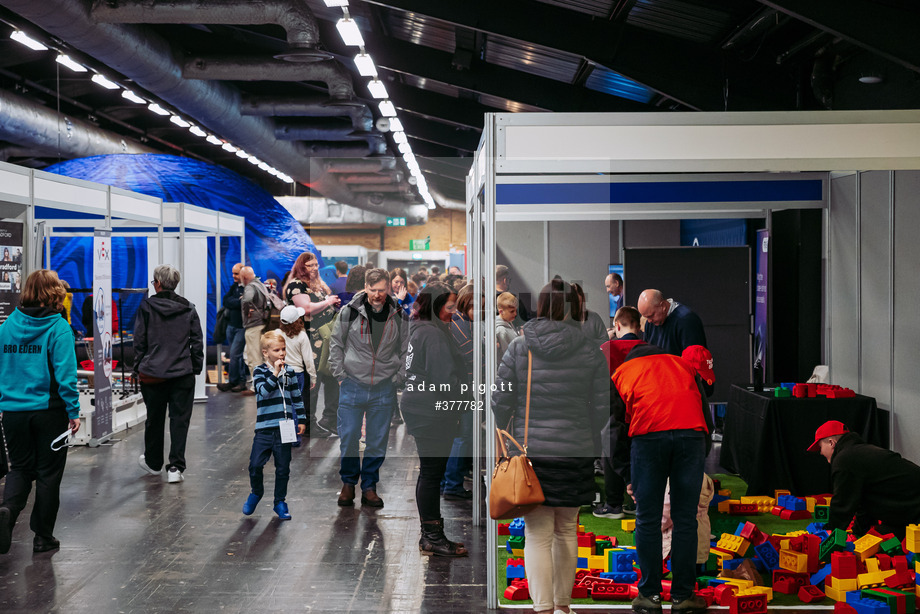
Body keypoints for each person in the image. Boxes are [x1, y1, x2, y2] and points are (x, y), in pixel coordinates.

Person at [493, 278, 610, 614]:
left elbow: (501, 399)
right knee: (567, 530)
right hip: (576, 450)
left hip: (532, 452)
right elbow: (602, 405)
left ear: (541, 306)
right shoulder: (590, 349)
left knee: (538, 534)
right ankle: (564, 606)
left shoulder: (520, 345)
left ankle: (543, 608)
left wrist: (503, 426)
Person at [611, 344, 710, 614]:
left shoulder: (622, 373)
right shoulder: (683, 365)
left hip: (648, 437)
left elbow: (613, 430)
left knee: (647, 518)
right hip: (691, 437)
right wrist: (702, 454)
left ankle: (649, 596)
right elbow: (706, 413)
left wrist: (628, 476)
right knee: (686, 518)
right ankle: (683, 597)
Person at [0, 269, 80, 555]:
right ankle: (43, 537)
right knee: (48, 473)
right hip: (49, 411)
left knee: (20, 468)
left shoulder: (7, 325)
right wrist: (74, 411)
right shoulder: (58, 328)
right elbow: (66, 376)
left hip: (12, 411)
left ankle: (7, 512)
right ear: (54, 292)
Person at [328, 268, 408, 508]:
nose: (376, 295)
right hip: (352, 383)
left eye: (381, 291)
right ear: (365, 288)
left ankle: (370, 486)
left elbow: (406, 348)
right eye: (372, 290)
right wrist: (340, 375)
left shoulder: (399, 314)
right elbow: (335, 344)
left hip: (384, 386)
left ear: (389, 289)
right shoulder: (348, 312)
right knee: (349, 435)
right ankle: (348, 483)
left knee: (377, 440)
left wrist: (399, 377)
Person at [400, 282, 468, 556]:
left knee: (430, 473)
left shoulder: (421, 327)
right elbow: (444, 378)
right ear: (435, 305)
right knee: (431, 473)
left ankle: (431, 535)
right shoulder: (432, 334)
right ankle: (432, 537)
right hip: (431, 410)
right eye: (450, 307)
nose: (454, 312)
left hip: (423, 407)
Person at [134, 264, 204, 485]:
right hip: (182, 373)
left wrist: (139, 367)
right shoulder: (189, 308)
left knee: (154, 419)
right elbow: (197, 341)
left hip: (153, 374)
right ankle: (175, 467)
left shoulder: (146, 307)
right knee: (179, 420)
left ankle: (154, 463)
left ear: (158, 283)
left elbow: (139, 341)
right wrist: (195, 367)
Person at [807, 420, 920, 540]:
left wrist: (828, 535)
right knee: (883, 538)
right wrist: (858, 533)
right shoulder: (858, 453)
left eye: (820, 447)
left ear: (831, 443)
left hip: (913, 508)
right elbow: (864, 502)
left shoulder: (844, 459)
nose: (820, 452)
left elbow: (842, 503)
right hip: (906, 506)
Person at [242, 330, 306, 520]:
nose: (281, 353)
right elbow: (262, 392)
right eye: (277, 350)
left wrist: (301, 419)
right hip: (264, 427)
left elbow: (296, 396)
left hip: (284, 428)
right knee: (255, 465)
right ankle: (256, 492)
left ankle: (280, 501)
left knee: (283, 467)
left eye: (283, 349)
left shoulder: (290, 372)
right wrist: (275, 372)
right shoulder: (259, 371)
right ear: (265, 353)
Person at [594, 306, 645, 520]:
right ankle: (637, 502)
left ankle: (613, 504)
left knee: (611, 454)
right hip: (641, 411)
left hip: (611, 408)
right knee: (639, 455)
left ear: (616, 325)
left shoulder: (606, 348)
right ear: (639, 326)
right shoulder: (648, 348)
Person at [284, 252, 340, 436]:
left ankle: (329, 419)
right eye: (310, 265)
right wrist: (328, 301)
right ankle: (308, 423)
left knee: (332, 378)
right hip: (309, 341)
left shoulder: (317, 285)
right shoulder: (296, 285)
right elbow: (306, 309)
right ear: (301, 267)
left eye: (316, 264)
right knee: (312, 383)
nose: (315, 268)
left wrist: (332, 303)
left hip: (326, 340)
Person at [442, 282, 479, 500]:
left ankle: (449, 482)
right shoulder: (459, 325)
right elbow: (473, 357)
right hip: (464, 389)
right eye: (476, 306)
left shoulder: (461, 323)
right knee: (462, 437)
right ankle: (452, 483)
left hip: (462, 388)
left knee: (460, 437)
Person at [278, 305, 317, 446]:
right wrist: (313, 377)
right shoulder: (301, 335)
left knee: (283, 405)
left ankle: (284, 437)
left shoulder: (277, 333)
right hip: (297, 374)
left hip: (281, 371)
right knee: (296, 404)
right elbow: (308, 359)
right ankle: (294, 438)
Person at [637, 289, 707, 356]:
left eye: (651, 315)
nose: (649, 321)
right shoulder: (650, 323)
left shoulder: (686, 320)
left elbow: (696, 360)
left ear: (663, 306)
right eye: (646, 317)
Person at [239, 266, 270, 396]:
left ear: (245, 277)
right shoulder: (260, 285)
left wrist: (246, 311)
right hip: (263, 323)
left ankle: (256, 387)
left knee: (253, 357)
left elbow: (247, 299)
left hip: (253, 326)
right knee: (256, 355)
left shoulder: (250, 287)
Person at [217, 262, 247, 392]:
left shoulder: (248, 288)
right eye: (233, 274)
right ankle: (238, 381)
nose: (233, 276)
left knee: (235, 355)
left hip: (241, 327)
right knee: (236, 356)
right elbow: (226, 301)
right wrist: (238, 301)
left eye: (236, 273)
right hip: (231, 326)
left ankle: (235, 381)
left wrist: (236, 302)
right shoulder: (234, 287)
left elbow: (243, 303)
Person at [495, 291, 519, 360]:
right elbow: (506, 356)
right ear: (501, 312)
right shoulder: (501, 330)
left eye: (515, 311)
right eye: (512, 311)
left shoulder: (508, 322)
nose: (515, 314)